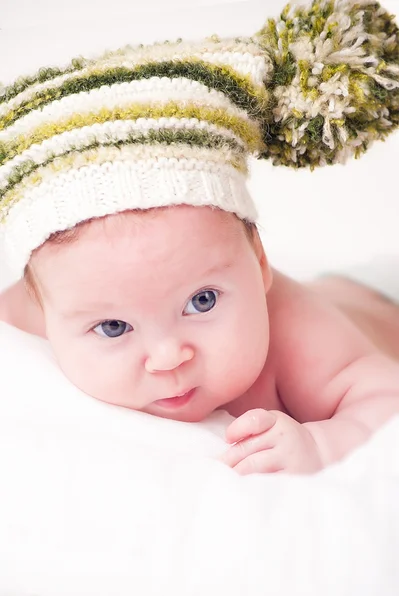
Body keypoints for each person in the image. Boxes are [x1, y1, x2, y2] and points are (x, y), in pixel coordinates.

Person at [0, 0, 398, 475]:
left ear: (260, 263)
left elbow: (385, 399)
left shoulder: (296, 334)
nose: (168, 358)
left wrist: (325, 442)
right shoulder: (50, 301)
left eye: (203, 301)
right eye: (113, 328)